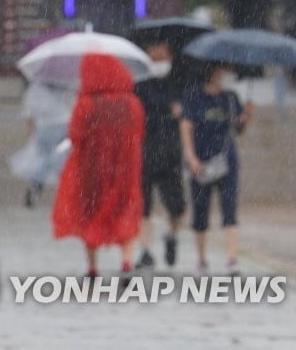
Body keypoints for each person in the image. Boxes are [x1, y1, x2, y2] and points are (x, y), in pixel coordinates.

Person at [52, 53, 144, 277]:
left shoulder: (86, 104)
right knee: (124, 210)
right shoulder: (132, 103)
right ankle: (126, 264)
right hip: (125, 167)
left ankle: (93, 268)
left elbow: (75, 136)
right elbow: (139, 133)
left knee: (90, 211)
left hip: (91, 169)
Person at [180, 62, 253, 275]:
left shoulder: (230, 98)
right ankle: (202, 259)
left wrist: (245, 117)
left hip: (227, 161)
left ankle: (231, 259)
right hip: (201, 161)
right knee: (200, 210)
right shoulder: (194, 96)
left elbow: (237, 129)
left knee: (230, 208)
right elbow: (186, 126)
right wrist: (191, 156)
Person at [134, 41, 186, 269]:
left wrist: (180, 113)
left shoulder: (179, 84)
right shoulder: (139, 85)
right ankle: (145, 251)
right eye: (153, 54)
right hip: (144, 151)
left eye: (162, 54)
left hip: (171, 152)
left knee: (177, 207)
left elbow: (188, 117)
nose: (157, 58)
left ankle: (172, 237)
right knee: (143, 206)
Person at [10, 80, 76, 208]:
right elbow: (73, 105)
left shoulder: (36, 88)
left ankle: (36, 186)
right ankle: (64, 194)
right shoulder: (68, 86)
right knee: (60, 161)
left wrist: (31, 129)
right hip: (63, 127)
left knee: (44, 159)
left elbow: (30, 111)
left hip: (43, 128)